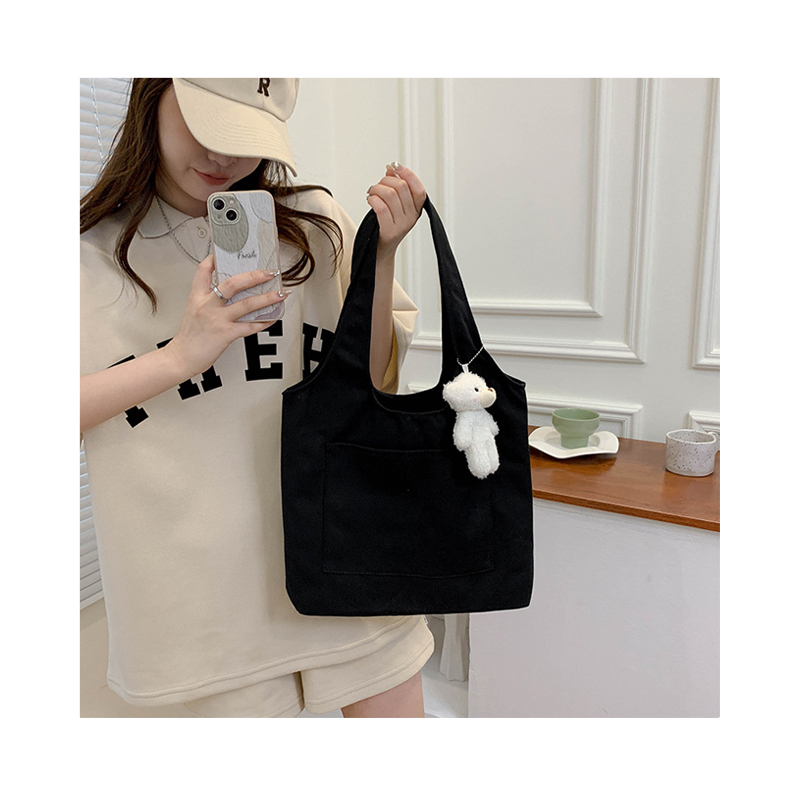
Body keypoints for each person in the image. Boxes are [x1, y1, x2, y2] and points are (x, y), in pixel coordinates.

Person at [80, 78, 434, 718]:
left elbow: (372, 381)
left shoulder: (315, 224)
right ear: (152, 92)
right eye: (205, 123)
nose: (223, 156)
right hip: (205, 603)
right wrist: (180, 356)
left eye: (244, 135)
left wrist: (379, 255)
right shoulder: (88, 257)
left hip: (348, 555)